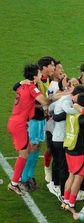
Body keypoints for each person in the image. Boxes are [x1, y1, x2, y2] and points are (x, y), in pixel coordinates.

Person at [7, 64, 50, 195]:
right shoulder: (32, 87)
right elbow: (44, 101)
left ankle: (17, 181)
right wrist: (54, 97)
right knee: (24, 154)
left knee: (26, 151)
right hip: (19, 124)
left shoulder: (22, 85)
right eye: (38, 73)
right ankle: (15, 183)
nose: (39, 75)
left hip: (15, 122)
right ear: (35, 76)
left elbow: (16, 87)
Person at [54, 93, 84, 211]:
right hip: (78, 150)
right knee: (78, 177)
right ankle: (71, 203)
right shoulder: (80, 115)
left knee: (71, 175)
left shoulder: (70, 112)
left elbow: (57, 117)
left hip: (68, 146)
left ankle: (66, 201)